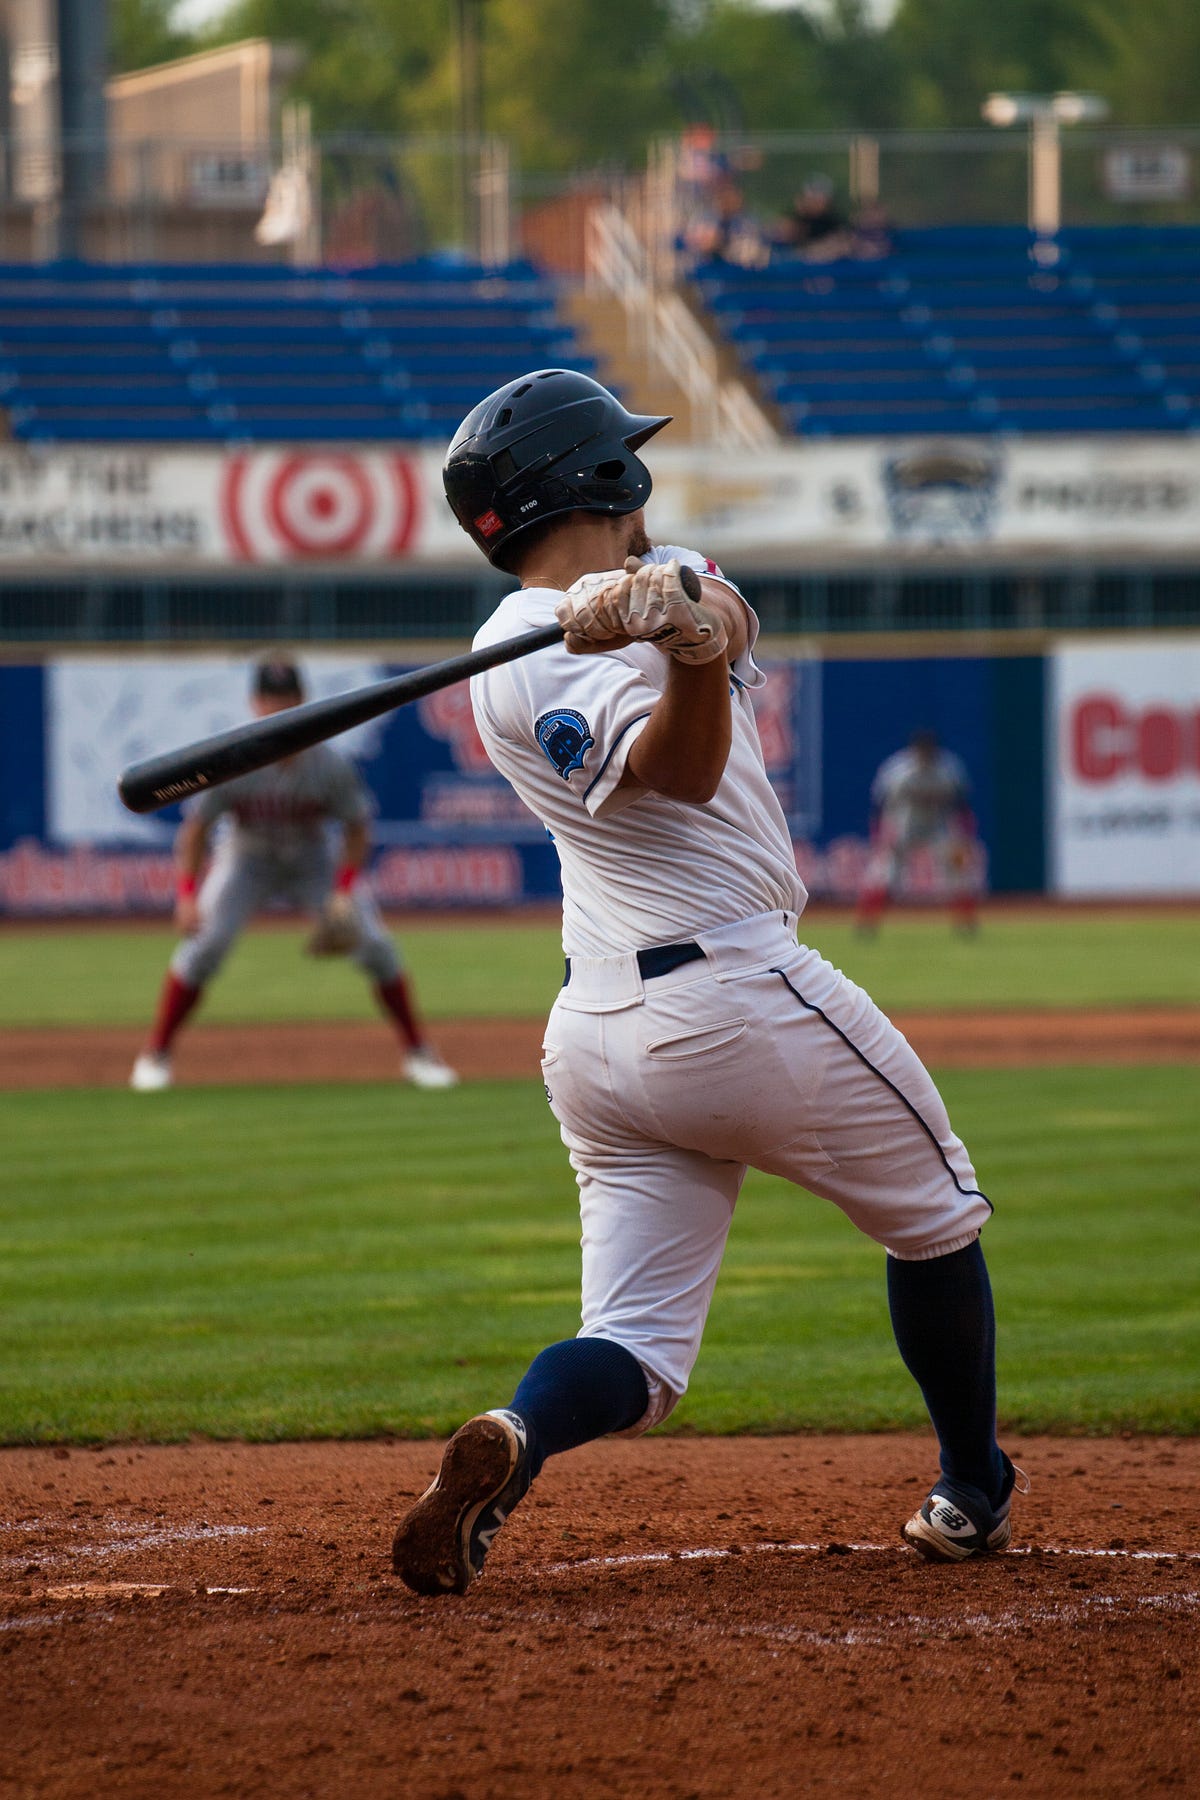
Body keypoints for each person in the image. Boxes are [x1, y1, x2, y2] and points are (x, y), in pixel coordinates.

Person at [391, 370, 1021, 1598]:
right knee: (939, 1215)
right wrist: (668, 653)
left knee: (634, 1349)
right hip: (735, 996)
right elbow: (679, 774)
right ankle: (972, 1488)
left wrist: (681, 618)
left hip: (597, 1039)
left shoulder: (646, 579)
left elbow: (717, 606)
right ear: (598, 480)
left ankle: (514, 1439)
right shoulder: (521, 658)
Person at [129, 657, 457, 1093]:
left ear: (303, 701)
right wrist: (187, 895)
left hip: (311, 857)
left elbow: (357, 827)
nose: (278, 707)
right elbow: (196, 831)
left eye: (286, 698)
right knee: (204, 945)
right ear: (254, 702)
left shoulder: (328, 765)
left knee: (375, 946)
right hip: (247, 856)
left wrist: (342, 892)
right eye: (270, 698)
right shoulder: (231, 758)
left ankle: (419, 1052)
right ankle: (156, 1054)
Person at [855, 728, 982, 936]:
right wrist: (879, 835)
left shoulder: (948, 769)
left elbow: (962, 806)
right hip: (903, 826)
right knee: (885, 874)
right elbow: (879, 805)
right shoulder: (898, 770)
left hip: (938, 827)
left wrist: (966, 835)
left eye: (929, 751)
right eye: (921, 750)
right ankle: (868, 925)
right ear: (913, 751)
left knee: (959, 873)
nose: (925, 755)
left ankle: (967, 925)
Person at [772, 174, 853, 261]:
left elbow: (844, 243)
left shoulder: (835, 222)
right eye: (811, 198)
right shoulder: (793, 220)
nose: (814, 203)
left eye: (819, 199)